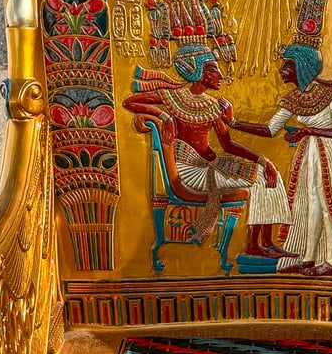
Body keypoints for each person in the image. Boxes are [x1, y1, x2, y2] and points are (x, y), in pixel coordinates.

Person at [123, 42, 295, 257]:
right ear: (197, 70)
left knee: (270, 174)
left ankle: (266, 243)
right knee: (261, 180)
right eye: (213, 69)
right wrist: (164, 116)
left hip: (211, 165)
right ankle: (254, 245)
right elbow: (130, 101)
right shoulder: (173, 96)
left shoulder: (213, 105)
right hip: (189, 172)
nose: (220, 75)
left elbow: (228, 144)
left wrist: (263, 161)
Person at [227, 44, 332, 278]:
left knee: (328, 205)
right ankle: (308, 258)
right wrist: (233, 123)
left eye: (288, 65)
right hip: (311, 152)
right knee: (310, 205)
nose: (282, 70)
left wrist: (307, 131)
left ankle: (331, 261)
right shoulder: (294, 97)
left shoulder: (330, 94)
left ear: (302, 67)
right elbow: (270, 129)